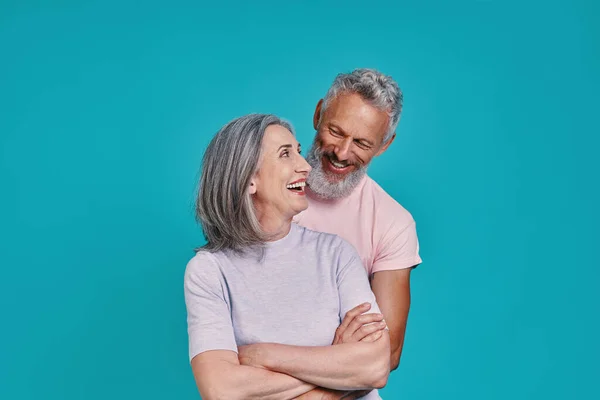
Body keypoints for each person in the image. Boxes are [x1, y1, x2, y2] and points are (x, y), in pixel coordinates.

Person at [184, 113, 391, 400]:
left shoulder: (336, 254)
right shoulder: (209, 271)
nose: (305, 165)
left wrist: (263, 356)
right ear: (248, 179)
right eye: (285, 154)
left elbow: (376, 366)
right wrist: (336, 367)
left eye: (297, 150)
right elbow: (222, 390)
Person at [293, 68, 422, 399]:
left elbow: (387, 354)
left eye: (362, 143)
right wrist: (340, 356)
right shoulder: (260, 191)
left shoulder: (393, 222)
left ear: (384, 145)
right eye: (336, 131)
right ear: (318, 113)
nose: (342, 152)